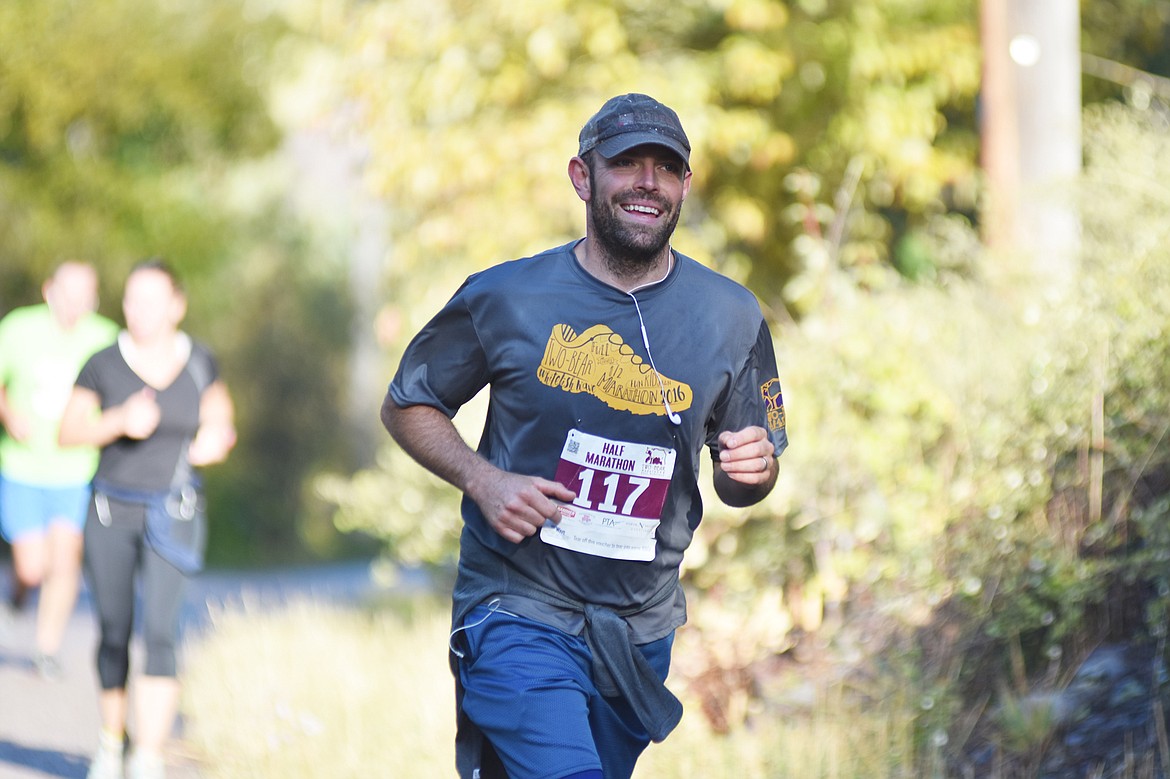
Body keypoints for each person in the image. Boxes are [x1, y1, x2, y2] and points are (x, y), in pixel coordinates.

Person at [381, 93, 789, 779]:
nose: (647, 183)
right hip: (517, 605)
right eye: (626, 163)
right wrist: (484, 479)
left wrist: (755, 472)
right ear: (582, 176)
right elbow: (407, 403)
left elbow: (743, 472)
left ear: (685, 185)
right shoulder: (508, 297)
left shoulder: (730, 314)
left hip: (639, 628)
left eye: (666, 168)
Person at [58, 258, 236, 779]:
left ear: (177, 305)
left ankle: (149, 757)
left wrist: (216, 437)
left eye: (153, 301)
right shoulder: (102, 363)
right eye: (133, 300)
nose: (141, 311)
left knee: (162, 632)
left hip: (175, 511)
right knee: (115, 631)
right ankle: (112, 742)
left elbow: (222, 415)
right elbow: (68, 432)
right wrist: (118, 421)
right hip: (110, 511)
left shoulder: (200, 360)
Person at [0, 261, 118, 679]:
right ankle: (17, 593)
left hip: (77, 471)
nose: (76, 304)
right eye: (68, 293)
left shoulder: (105, 337)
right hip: (22, 466)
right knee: (32, 566)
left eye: (85, 296)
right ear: (49, 290)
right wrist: (10, 415)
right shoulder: (18, 328)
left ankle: (46, 649)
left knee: (65, 562)